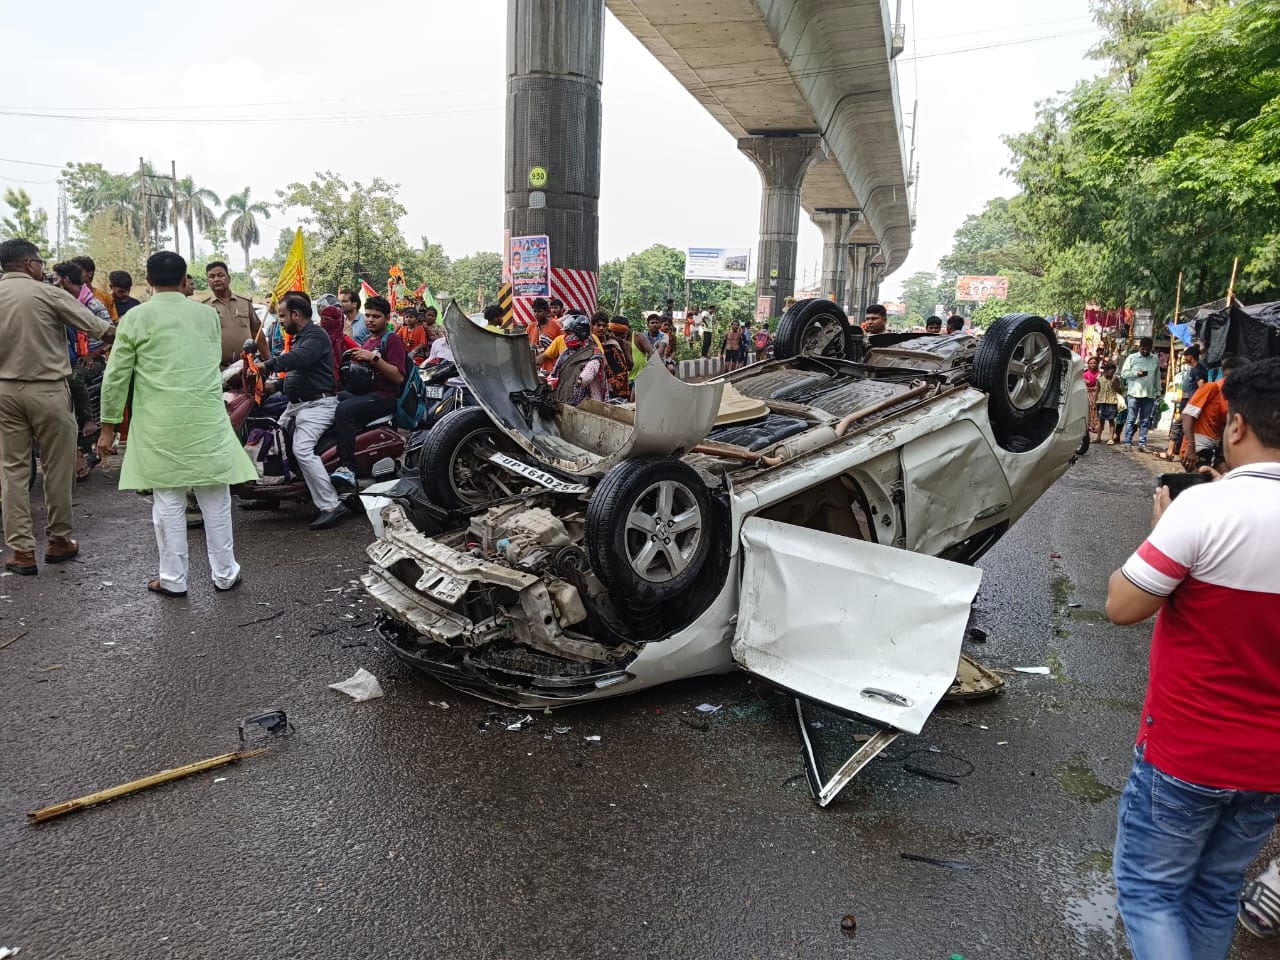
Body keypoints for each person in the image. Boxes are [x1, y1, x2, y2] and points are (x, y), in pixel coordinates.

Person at [1106, 357, 1280, 960]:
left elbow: (1122, 605)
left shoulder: (1202, 510)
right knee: (1214, 891)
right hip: (1269, 767)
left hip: (1187, 752)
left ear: (1235, 427)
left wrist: (1163, 531)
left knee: (1150, 891)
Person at [95, 251, 256, 595]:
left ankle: (173, 580)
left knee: (167, 502)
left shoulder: (136, 318)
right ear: (185, 281)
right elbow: (210, 360)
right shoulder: (206, 315)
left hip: (159, 424)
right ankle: (225, 574)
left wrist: (108, 427)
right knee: (216, 498)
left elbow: (116, 377)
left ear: (149, 281)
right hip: (206, 418)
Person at [0, 239, 115, 575]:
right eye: (40, 262)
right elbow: (101, 330)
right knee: (57, 467)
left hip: (4, 392)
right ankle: (59, 540)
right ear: (28, 263)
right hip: (48, 390)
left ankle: (21, 551)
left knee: (12, 471)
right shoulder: (47, 293)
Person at [260, 294, 348, 529]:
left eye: (282, 315)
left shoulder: (316, 336)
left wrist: (267, 365)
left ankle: (331, 504)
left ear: (295, 315)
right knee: (275, 442)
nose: (280, 320)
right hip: (298, 404)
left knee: (301, 449)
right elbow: (301, 372)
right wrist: (274, 385)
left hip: (318, 405)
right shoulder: (302, 337)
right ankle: (270, 495)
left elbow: (300, 359)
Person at [330, 296, 406, 490]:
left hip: (384, 397)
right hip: (366, 393)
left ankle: (347, 467)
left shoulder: (392, 340)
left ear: (387, 319)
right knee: (331, 401)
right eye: (369, 315)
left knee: (344, 411)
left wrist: (373, 359)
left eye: (377, 316)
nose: (371, 320)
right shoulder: (368, 341)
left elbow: (398, 377)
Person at [1179, 355, 1245, 472]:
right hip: (1198, 446)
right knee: (1199, 482)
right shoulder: (1212, 388)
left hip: (1215, 446)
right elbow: (1187, 415)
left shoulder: (1233, 396)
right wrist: (1190, 445)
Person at [206, 261, 267, 366]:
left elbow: (257, 333)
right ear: (208, 281)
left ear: (228, 278)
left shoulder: (245, 303)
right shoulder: (204, 307)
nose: (216, 279)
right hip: (218, 369)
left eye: (220, 275)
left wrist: (268, 361)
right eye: (211, 277)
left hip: (247, 366)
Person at [1157, 345, 1208, 463]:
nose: (1183, 357)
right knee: (1183, 428)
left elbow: (1201, 387)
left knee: (1178, 426)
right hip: (1191, 404)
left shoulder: (1198, 370)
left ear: (1190, 356)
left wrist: (1194, 402)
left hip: (1193, 405)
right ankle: (1177, 452)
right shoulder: (1194, 369)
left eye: (1185, 355)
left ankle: (1171, 453)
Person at [547, 314, 606, 406]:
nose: (566, 337)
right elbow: (556, 370)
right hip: (566, 399)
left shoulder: (594, 352)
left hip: (589, 403)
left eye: (569, 334)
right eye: (565, 333)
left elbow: (590, 371)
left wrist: (580, 380)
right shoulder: (566, 353)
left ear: (581, 333)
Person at [1121, 336, 1161, 451]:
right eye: (1143, 349)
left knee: (1145, 420)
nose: (1145, 351)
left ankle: (1142, 444)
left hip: (1149, 394)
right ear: (1139, 347)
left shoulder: (1155, 359)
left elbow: (1157, 376)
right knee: (1131, 419)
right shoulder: (1132, 358)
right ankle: (1128, 443)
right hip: (1134, 393)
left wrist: (1158, 391)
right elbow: (1124, 374)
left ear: (1151, 348)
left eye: (1147, 349)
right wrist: (1135, 374)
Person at [70, 255, 118, 322]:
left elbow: (113, 322)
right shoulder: (68, 296)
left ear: (90, 273)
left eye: (78, 272)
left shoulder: (105, 296)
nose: (74, 275)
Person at [527, 298, 562, 375]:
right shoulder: (531, 327)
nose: (536, 314)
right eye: (535, 311)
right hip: (535, 368)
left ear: (546, 312)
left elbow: (561, 348)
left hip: (551, 368)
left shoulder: (555, 327)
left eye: (539, 311)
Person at [1096, 360, 1123, 444]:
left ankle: (1111, 438)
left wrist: (1115, 384)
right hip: (1101, 402)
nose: (1113, 374)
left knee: (1111, 420)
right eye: (1111, 372)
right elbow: (1097, 391)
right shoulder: (1099, 380)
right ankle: (1098, 437)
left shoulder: (1116, 379)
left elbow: (1119, 391)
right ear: (1106, 371)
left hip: (1112, 402)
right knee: (1101, 421)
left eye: (1114, 372)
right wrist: (1095, 402)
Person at [1083, 356, 1101, 438]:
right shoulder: (1085, 374)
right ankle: (1089, 425)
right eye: (1091, 363)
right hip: (1087, 393)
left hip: (1098, 394)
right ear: (1088, 364)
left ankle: (1096, 425)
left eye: (1094, 363)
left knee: (1096, 408)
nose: (1093, 365)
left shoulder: (1100, 374)